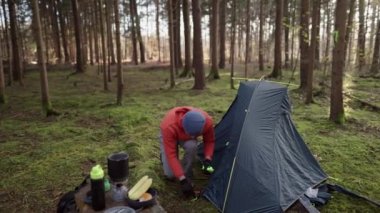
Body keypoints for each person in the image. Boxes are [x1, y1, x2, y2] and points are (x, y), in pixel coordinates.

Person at [159, 106, 215, 197]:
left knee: (192, 146)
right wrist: (182, 180)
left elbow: (209, 141)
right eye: (192, 135)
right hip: (169, 134)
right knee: (170, 175)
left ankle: (187, 174)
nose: (194, 137)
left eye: (196, 135)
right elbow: (171, 155)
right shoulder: (168, 126)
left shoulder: (207, 122)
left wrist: (208, 159)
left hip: (185, 137)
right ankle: (163, 156)